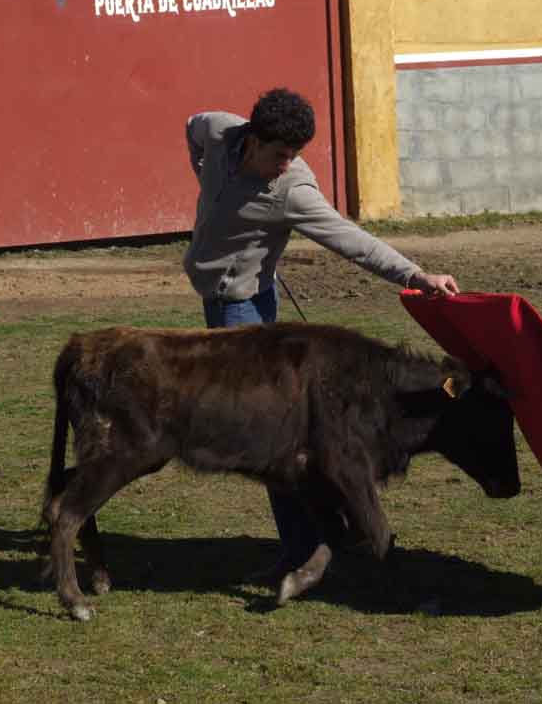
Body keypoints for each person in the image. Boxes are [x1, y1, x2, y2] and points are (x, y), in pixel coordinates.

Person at [182, 87, 459, 577]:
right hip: (219, 297)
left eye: (295, 156)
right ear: (253, 140)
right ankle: (322, 533)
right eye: (280, 154)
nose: (287, 164)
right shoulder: (219, 131)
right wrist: (204, 177)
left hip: (242, 309)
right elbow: (192, 125)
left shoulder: (293, 190)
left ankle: (306, 547)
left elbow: (352, 241)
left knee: (268, 436)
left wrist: (416, 276)